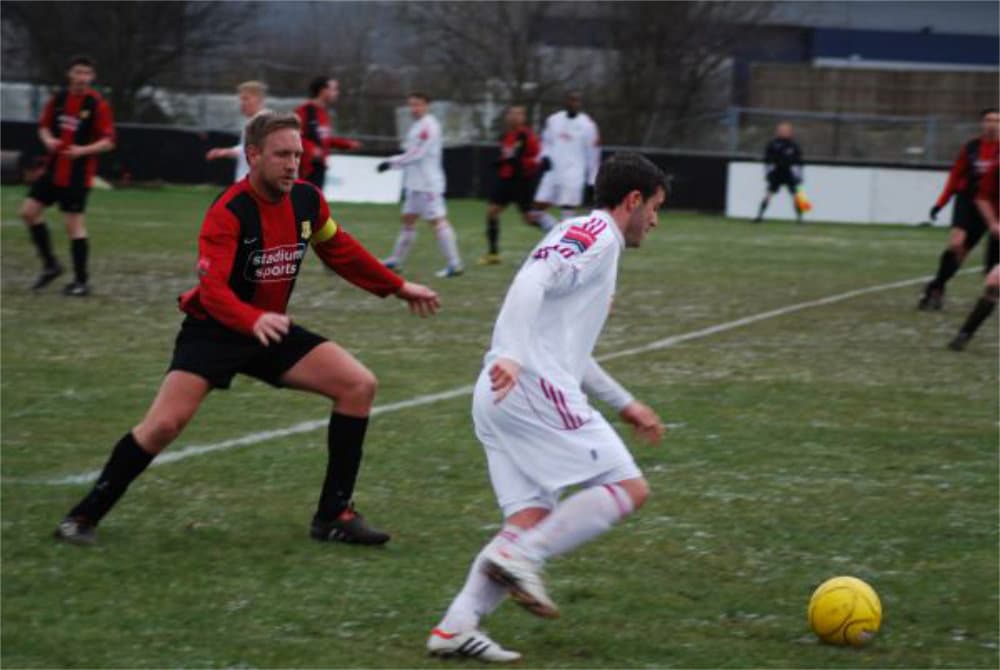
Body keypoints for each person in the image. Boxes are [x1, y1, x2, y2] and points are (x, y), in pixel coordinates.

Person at [54, 112, 440, 546]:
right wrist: (251, 318)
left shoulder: (307, 201)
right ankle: (82, 517)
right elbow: (213, 290)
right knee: (163, 425)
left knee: (358, 385)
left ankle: (334, 515)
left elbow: (338, 248)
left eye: (297, 155)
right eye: (281, 155)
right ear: (253, 155)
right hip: (215, 331)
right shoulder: (229, 211)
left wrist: (398, 286)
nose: (292, 165)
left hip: (268, 330)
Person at [426, 153, 667, 662]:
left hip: (504, 392)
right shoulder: (596, 235)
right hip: (529, 386)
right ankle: (522, 557)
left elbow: (570, 349)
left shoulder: (598, 244)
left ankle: (455, 627)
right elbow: (531, 279)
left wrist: (624, 403)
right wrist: (513, 355)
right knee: (629, 488)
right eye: (655, 208)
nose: (655, 221)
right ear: (633, 200)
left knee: (531, 515)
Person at [19, 55, 115, 297]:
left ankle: (81, 282)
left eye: (86, 73)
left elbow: (108, 141)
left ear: (92, 77)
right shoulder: (59, 99)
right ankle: (51, 265)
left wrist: (83, 150)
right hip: (53, 170)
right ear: (69, 74)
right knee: (28, 212)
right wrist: (48, 139)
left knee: (73, 226)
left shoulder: (97, 104)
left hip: (77, 175)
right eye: (78, 72)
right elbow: (43, 126)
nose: (82, 77)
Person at [919, 108, 1000, 310]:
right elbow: (955, 177)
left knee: (979, 255)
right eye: (988, 120)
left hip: (992, 205)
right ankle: (937, 288)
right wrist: (940, 203)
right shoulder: (971, 148)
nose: (992, 124)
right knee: (956, 245)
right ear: (982, 124)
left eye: (997, 121)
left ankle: (939, 285)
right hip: (967, 201)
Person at [379, 92, 463, 278]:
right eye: (411, 105)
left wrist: (391, 162)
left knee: (438, 221)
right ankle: (396, 260)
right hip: (415, 183)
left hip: (428, 184)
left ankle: (455, 264)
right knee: (408, 220)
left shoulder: (429, 126)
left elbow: (416, 154)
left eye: (418, 104)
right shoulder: (417, 126)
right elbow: (411, 153)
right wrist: (394, 164)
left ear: (427, 105)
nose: (414, 108)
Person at [527, 92, 601, 232]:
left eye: (576, 101)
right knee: (534, 212)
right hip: (553, 172)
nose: (573, 103)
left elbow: (593, 154)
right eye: (571, 100)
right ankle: (557, 233)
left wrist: (592, 180)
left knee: (567, 215)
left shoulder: (588, 125)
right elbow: (546, 143)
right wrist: (544, 157)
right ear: (565, 102)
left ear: (580, 103)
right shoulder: (553, 120)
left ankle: (562, 238)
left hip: (573, 175)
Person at [479, 105, 542, 265]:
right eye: (512, 113)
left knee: (529, 218)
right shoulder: (507, 136)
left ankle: (558, 232)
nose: (514, 116)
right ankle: (493, 254)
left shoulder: (526, 135)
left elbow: (530, 158)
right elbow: (509, 157)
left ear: (523, 118)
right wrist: (501, 163)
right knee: (492, 211)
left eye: (518, 114)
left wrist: (507, 163)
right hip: (506, 180)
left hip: (521, 181)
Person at [949, 161, 999, 350]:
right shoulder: (997, 168)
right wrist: (993, 223)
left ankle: (964, 334)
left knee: (995, 281)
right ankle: (964, 334)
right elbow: (982, 198)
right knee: (993, 285)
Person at [295, 77, 363, 192]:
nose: (337, 93)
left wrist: (347, 144)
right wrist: (311, 149)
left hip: (320, 165)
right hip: (307, 167)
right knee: (306, 199)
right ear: (323, 91)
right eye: (334, 89)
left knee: (316, 200)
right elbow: (294, 136)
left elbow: (325, 140)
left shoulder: (323, 112)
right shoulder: (303, 111)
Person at [205, 81, 269, 183]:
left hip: (254, 183)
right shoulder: (254, 121)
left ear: (259, 100)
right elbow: (246, 147)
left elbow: (258, 151)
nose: (242, 103)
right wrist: (224, 151)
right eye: (241, 99)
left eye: (246, 99)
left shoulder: (263, 122)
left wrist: (225, 152)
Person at [752, 121, 804, 224]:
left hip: (789, 173)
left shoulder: (794, 145)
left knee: (796, 195)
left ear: (790, 132)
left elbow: (799, 162)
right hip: (777, 172)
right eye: (781, 130)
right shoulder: (773, 144)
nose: (784, 132)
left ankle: (800, 219)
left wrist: (799, 175)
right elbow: (767, 161)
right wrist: (768, 173)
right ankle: (759, 216)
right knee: (768, 194)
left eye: (786, 130)